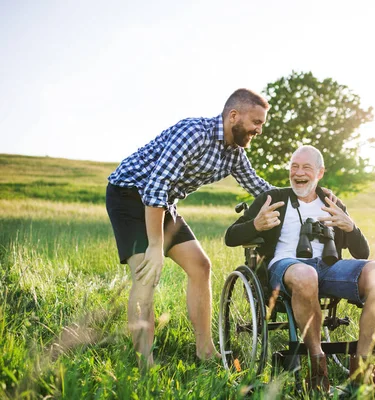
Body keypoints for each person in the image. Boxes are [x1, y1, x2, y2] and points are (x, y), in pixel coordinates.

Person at [105, 88, 276, 367]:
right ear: (234, 115)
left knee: (201, 266)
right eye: (256, 122)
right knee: (146, 273)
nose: (259, 130)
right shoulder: (194, 133)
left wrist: (306, 197)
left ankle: (205, 351)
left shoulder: (234, 153)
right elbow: (155, 187)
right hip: (129, 195)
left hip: (162, 202)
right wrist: (156, 245)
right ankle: (143, 361)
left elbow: (261, 189)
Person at [225, 145, 375, 392]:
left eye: (306, 167)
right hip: (284, 268)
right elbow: (231, 236)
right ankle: (318, 368)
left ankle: (362, 371)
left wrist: (350, 227)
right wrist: (255, 224)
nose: (298, 172)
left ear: (320, 172)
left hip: (329, 268)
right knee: (307, 274)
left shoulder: (331, 202)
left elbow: (362, 253)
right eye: (294, 167)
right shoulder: (273, 198)